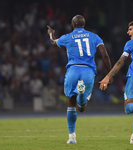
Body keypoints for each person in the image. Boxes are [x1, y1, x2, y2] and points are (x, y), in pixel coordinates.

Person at [47, 15, 112, 144]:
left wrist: (51, 34)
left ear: (72, 25)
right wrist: (110, 74)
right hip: (87, 71)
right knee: (81, 108)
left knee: (71, 103)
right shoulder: (94, 37)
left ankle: (72, 137)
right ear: (84, 24)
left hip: (72, 70)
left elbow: (54, 42)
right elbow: (104, 54)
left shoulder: (67, 37)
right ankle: (81, 95)